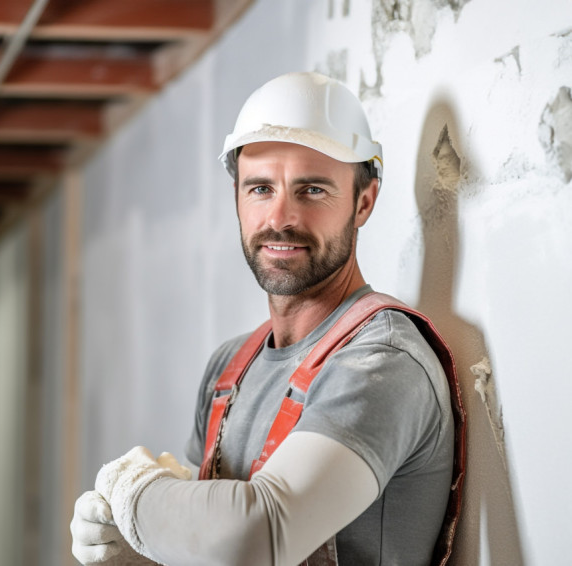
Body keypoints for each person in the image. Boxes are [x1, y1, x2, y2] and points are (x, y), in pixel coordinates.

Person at [71, 72, 464, 566]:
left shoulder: (382, 361)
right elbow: (209, 543)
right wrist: (136, 546)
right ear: (237, 198)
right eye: (260, 188)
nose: (280, 218)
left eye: (313, 190)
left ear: (363, 202)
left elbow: (261, 534)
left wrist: (134, 494)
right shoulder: (230, 369)